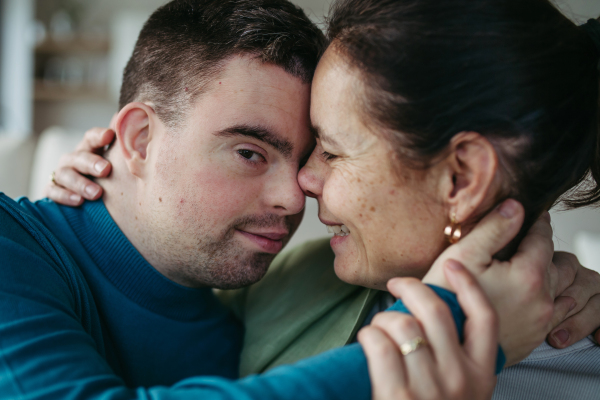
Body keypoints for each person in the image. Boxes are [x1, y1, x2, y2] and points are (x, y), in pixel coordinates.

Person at [1, 0, 569, 399]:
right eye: (250, 152)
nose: (293, 195)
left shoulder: (251, 314)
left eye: (311, 155)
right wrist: (451, 323)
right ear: (140, 140)